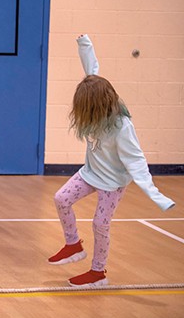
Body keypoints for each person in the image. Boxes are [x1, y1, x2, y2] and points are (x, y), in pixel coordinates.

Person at [48, 34, 175, 287]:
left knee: (100, 224)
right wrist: (84, 44)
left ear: (97, 106)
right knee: (61, 198)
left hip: (113, 182)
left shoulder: (121, 126)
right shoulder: (96, 99)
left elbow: (137, 160)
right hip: (90, 172)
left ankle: (98, 273)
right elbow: (92, 72)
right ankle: (73, 245)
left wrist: (155, 194)